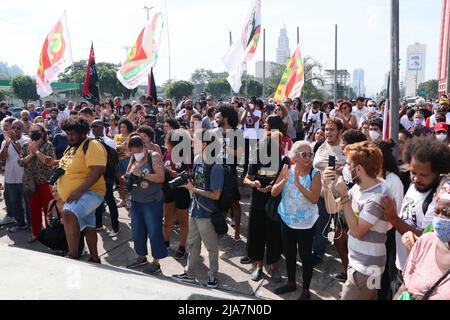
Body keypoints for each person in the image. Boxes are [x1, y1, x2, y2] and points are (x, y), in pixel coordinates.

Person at [380, 137, 450, 293]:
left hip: (417, 275)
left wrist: (393, 218)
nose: (416, 178)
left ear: (437, 172)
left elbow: (426, 239)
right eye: (413, 172)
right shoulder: (414, 185)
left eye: (424, 175)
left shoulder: (437, 203)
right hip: (401, 263)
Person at [333, 142, 391, 300]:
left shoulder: (377, 196)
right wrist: (326, 185)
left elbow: (357, 231)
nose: (345, 168)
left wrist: (344, 196)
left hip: (366, 268)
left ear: (358, 169)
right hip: (360, 263)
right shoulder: (360, 187)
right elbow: (332, 208)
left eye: (348, 164)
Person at [172, 129, 224, 289]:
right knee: (192, 243)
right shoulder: (198, 159)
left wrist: (193, 189)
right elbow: (197, 181)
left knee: (211, 247)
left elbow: (216, 195)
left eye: (195, 141)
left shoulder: (216, 166)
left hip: (206, 212)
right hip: (194, 208)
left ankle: (213, 276)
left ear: (205, 144)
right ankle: (189, 273)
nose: (193, 144)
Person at [271, 141, 321, 300]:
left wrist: (298, 184)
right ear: (295, 156)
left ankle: (306, 290)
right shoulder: (287, 169)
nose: (308, 157)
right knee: (289, 253)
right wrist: (285, 180)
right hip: (287, 220)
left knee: (305, 256)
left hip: (306, 223)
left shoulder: (315, 173)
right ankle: (291, 282)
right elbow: (273, 192)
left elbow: (314, 199)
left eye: (310, 154)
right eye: (304, 154)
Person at [57, 116, 107, 262]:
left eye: (73, 133)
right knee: (89, 227)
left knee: (68, 213)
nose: (69, 137)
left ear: (82, 132)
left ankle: (73, 256)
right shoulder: (72, 147)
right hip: (79, 194)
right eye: (67, 133)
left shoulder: (92, 145)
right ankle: (94, 257)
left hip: (91, 192)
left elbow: (98, 170)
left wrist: (79, 191)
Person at [395, 175, 450, 300]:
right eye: (437, 212)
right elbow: (405, 287)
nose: (440, 219)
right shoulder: (425, 242)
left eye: (447, 213)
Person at [243, 131, 286, 284]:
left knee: (275, 236)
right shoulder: (255, 160)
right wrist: (253, 183)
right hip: (257, 204)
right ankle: (259, 267)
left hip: (275, 204)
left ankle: (275, 268)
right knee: (257, 236)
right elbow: (246, 178)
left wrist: (274, 187)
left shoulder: (283, 161)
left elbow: (287, 180)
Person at [125, 135, 167, 274]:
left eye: (137, 151)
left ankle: (156, 262)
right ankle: (141, 257)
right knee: (137, 231)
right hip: (136, 200)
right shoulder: (133, 158)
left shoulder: (153, 156)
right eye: (132, 152)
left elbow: (161, 177)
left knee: (154, 232)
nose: (135, 154)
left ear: (143, 147)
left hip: (152, 201)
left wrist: (142, 175)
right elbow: (129, 173)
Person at [312, 118, 346, 264]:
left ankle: (345, 259)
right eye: (326, 129)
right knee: (320, 227)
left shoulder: (345, 148)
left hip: (340, 199)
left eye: (332, 129)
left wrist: (344, 168)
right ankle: (318, 253)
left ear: (340, 132)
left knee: (341, 232)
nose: (328, 132)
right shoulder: (319, 145)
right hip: (321, 196)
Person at [375, 140, 404, 300]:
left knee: (383, 275)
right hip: (371, 236)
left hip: (386, 238)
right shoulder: (371, 177)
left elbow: (395, 215)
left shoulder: (394, 181)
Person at [18, 124, 55, 243]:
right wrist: (32, 153)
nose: (34, 133)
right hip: (31, 182)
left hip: (45, 181)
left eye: (37, 131)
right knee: (34, 209)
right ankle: (36, 232)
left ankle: (51, 233)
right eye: (31, 131)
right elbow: (21, 162)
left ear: (43, 133)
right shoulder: (25, 146)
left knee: (48, 209)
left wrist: (37, 152)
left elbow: (50, 161)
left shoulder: (48, 145)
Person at [162, 130, 191, 260]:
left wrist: (177, 175)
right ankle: (165, 242)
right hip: (168, 190)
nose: (165, 144)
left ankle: (182, 246)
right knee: (167, 220)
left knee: (183, 221)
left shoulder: (186, 156)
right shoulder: (166, 153)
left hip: (182, 190)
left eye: (167, 142)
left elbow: (191, 176)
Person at [216, 105, 243, 241]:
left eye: (219, 116)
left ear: (226, 118)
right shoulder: (216, 132)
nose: (217, 118)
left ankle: (237, 232)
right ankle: (221, 229)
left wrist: (224, 147)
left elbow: (239, 155)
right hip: (217, 171)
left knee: (234, 203)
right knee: (219, 203)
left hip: (230, 173)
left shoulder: (237, 133)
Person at [90, 120, 120, 237]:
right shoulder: (91, 141)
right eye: (92, 126)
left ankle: (115, 226)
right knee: (96, 201)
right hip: (95, 177)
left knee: (110, 201)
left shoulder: (110, 142)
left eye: (95, 126)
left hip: (107, 177)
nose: (93, 128)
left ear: (101, 127)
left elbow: (114, 160)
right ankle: (98, 224)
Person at [0, 119, 30, 230]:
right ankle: (20, 223)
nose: (15, 130)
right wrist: (7, 144)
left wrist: (14, 141)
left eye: (18, 128)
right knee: (14, 202)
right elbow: (2, 158)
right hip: (10, 178)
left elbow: (24, 154)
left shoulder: (26, 140)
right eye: (13, 127)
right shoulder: (5, 141)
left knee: (28, 203)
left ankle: (30, 224)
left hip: (23, 178)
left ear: (23, 129)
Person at [114, 118, 134, 208]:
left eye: (124, 127)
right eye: (121, 127)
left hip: (128, 161)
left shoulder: (132, 136)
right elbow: (116, 147)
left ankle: (129, 199)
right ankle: (123, 200)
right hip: (118, 161)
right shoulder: (117, 136)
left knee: (129, 180)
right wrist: (124, 146)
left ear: (128, 128)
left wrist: (122, 147)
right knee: (120, 181)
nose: (122, 129)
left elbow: (133, 149)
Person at [241, 103, 262, 178]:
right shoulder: (245, 112)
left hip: (254, 136)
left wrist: (250, 112)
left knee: (254, 154)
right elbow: (242, 122)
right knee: (246, 155)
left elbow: (255, 120)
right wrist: (246, 112)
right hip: (246, 136)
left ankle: (253, 171)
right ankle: (245, 170)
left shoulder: (258, 112)